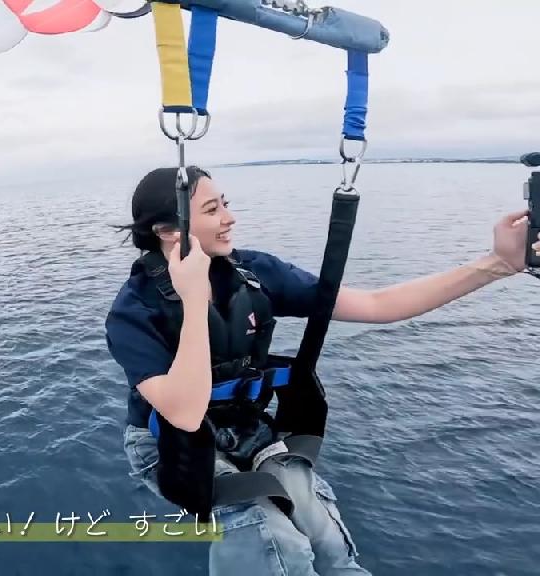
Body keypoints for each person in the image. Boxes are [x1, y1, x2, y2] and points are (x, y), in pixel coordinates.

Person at [105, 165, 540, 575]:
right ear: (169, 231)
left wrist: (497, 264)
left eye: (226, 204)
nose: (229, 218)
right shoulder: (134, 310)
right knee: (268, 533)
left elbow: (377, 305)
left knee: (324, 534)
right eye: (212, 209)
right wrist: (193, 299)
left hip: (245, 425)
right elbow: (182, 413)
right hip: (170, 442)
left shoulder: (252, 273)